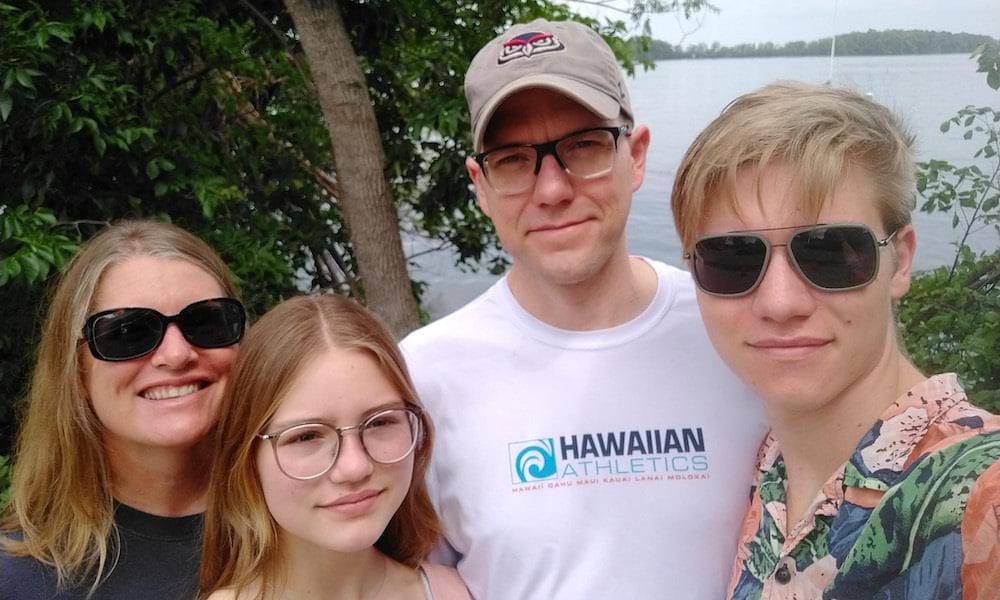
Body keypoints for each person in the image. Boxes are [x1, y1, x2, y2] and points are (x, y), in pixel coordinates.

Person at [400, 18, 767, 599]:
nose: (551, 190)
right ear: (480, 185)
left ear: (636, 154)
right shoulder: (422, 376)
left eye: (583, 146)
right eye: (514, 160)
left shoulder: (737, 330)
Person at [671, 81, 1000, 599]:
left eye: (829, 252)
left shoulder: (982, 498)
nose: (780, 302)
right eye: (733, 258)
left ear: (901, 261)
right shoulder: (767, 470)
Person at [0, 220, 247, 599]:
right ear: (76, 371)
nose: (177, 355)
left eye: (206, 321)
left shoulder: (322, 531)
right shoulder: (14, 578)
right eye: (128, 333)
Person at [198, 293, 470, 600]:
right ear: (247, 458)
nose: (354, 467)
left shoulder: (456, 592)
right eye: (306, 436)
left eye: (380, 422)